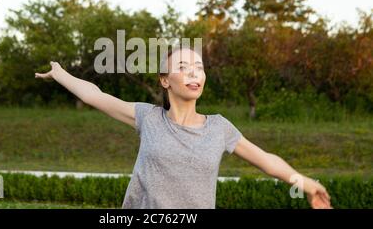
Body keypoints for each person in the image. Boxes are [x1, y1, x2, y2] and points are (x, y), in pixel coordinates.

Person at [35, 46, 332, 209]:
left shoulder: (219, 128)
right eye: (183, 68)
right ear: (165, 81)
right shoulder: (148, 118)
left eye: (199, 67)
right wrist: (61, 74)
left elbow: (267, 161)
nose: (194, 73)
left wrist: (306, 183)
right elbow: (94, 95)